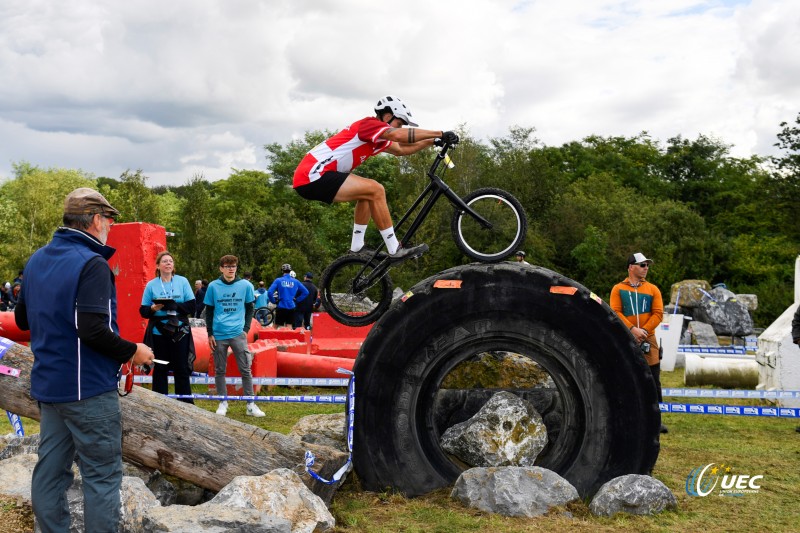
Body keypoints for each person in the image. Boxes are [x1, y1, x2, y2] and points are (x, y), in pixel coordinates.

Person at [13, 187, 153, 532]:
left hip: (50, 387)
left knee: (49, 473)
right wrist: (133, 351)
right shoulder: (92, 264)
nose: (110, 226)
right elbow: (92, 330)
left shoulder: (37, 259)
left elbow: (22, 321)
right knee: (102, 478)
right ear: (95, 220)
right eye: (109, 219)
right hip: (88, 389)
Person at [293, 95, 458, 262]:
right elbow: (399, 136)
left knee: (367, 193)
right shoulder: (369, 125)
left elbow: (401, 149)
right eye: (399, 123)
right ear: (387, 116)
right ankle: (394, 249)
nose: (400, 127)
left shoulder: (377, 137)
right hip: (313, 174)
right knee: (376, 189)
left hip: (314, 176)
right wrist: (440, 133)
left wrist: (432, 141)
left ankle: (357, 247)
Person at [609, 252, 668, 434]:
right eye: (642, 265)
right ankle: (627, 418)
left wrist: (644, 332)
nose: (646, 268)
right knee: (626, 378)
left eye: (647, 265)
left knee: (652, 380)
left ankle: (655, 421)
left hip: (648, 339)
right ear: (631, 267)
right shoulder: (618, 289)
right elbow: (615, 312)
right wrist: (632, 329)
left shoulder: (653, 289)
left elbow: (658, 314)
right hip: (626, 337)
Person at [204, 255, 265, 417]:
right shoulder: (213, 286)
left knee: (246, 369)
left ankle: (250, 404)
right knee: (219, 370)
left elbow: (250, 308)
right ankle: (223, 402)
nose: (231, 268)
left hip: (238, 333)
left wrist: (245, 328)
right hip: (218, 334)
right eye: (227, 265)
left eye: (234, 266)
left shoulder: (245, 285)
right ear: (221, 268)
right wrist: (209, 333)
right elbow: (209, 311)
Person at [140, 251, 196, 404]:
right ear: (158, 266)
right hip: (159, 332)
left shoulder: (182, 281)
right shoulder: (151, 285)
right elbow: (143, 311)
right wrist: (153, 309)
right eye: (164, 261)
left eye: (170, 261)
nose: (168, 263)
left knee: (181, 368)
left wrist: (175, 305)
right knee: (160, 368)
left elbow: (192, 305)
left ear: (173, 265)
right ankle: (160, 403)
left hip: (179, 332)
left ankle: (186, 404)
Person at [268, 263, 308, 327]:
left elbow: (270, 292)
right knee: (289, 326)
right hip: (291, 306)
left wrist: (273, 301)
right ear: (290, 271)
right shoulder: (296, 281)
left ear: (282, 271)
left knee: (276, 326)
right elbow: (306, 292)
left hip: (281, 305)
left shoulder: (278, 280)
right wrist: (297, 300)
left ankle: (271, 337)